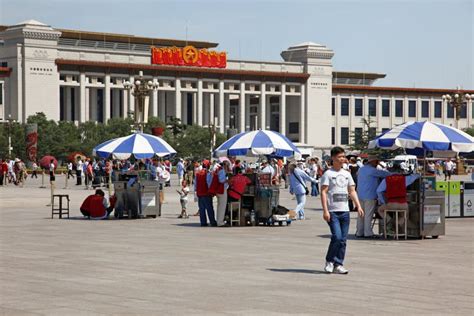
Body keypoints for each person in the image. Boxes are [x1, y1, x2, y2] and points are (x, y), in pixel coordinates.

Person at [320, 146, 364, 274]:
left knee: (343, 240)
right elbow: (323, 192)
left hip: (345, 210)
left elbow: (352, 191)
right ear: (333, 158)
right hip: (333, 211)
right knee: (337, 237)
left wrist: (358, 205)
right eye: (340, 157)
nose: (342, 159)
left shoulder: (347, 174)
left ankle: (338, 264)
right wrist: (325, 210)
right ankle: (329, 261)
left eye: (343, 156)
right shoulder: (328, 174)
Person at [356, 155, 391, 238]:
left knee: (361, 215)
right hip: (369, 196)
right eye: (376, 162)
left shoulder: (361, 169)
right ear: (372, 161)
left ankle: (359, 232)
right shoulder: (372, 170)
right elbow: (385, 174)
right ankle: (368, 233)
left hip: (360, 195)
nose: (377, 164)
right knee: (368, 215)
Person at [194, 160, 217, 227]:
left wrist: (196, 191)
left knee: (202, 209)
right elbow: (208, 183)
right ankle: (212, 221)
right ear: (208, 165)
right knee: (209, 208)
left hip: (199, 193)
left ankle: (203, 222)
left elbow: (195, 184)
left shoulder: (198, 173)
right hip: (206, 193)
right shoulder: (208, 173)